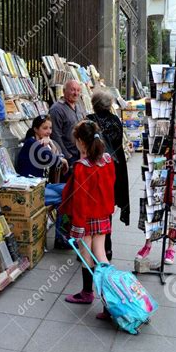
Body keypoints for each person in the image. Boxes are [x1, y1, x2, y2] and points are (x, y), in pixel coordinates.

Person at [59, 119, 116, 318]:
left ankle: (89, 293)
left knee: (87, 256)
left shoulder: (82, 167)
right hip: (102, 215)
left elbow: (80, 200)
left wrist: (77, 226)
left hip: (86, 218)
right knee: (101, 255)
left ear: (81, 142)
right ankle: (109, 300)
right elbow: (110, 188)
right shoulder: (107, 160)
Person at [87, 89, 130, 260]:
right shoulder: (116, 120)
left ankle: (92, 248)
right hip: (113, 169)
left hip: (94, 169)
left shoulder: (89, 120)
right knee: (107, 206)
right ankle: (107, 247)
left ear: (94, 104)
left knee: (92, 208)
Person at [16, 114, 69, 248]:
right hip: (32, 191)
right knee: (67, 195)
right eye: (45, 128)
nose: (49, 131)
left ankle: (62, 237)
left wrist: (50, 142)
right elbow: (55, 160)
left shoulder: (38, 142)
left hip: (39, 186)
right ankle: (61, 238)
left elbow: (57, 155)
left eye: (50, 128)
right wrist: (62, 160)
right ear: (35, 129)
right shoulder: (32, 143)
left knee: (68, 190)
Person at [49, 80, 87, 168]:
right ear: (64, 91)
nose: (76, 93)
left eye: (78, 90)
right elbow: (55, 135)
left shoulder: (79, 106)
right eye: (73, 90)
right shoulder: (56, 109)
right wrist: (67, 156)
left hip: (80, 154)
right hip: (69, 157)